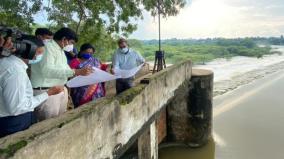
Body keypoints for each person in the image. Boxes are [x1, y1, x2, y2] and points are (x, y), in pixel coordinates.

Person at [0, 35, 63, 138]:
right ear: (28, 50)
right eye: (39, 53)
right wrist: (48, 94)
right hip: (13, 122)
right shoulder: (16, 72)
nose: (40, 57)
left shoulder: (6, 62)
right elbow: (17, 108)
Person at [31, 27, 93, 121]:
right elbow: (47, 70)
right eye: (71, 42)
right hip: (47, 92)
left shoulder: (60, 50)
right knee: (47, 125)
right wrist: (75, 72)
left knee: (58, 122)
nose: (72, 46)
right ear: (64, 39)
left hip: (58, 90)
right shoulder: (47, 47)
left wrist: (78, 73)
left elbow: (66, 69)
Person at [69, 43, 108, 108]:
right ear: (81, 51)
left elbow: (102, 68)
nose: (89, 55)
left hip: (96, 89)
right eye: (87, 52)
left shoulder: (95, 60)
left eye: (91, 53)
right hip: (79, 90)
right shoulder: (75, 62)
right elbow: (70, 74)